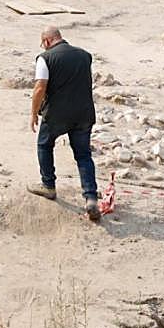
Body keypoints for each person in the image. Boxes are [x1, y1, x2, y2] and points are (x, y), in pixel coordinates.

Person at [28, 25, 100, 221]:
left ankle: (48, 186)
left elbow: (40, 87)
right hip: (84, 113)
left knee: (44, 145)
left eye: (43, 44)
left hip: (57, 114)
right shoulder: (85, 55)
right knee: (84, 155)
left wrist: (34, 113)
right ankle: (91, 198)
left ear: (47, 41)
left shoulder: (45, 58)